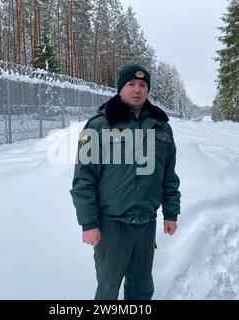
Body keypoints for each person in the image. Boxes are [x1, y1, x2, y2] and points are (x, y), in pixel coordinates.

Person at [70, 63, 181, 300]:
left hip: (146, 223)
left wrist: (171, 213)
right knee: (108, 288)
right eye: (130, 84)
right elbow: (83, 179)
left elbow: (168, 174)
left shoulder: (161, 127)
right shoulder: (99, 125)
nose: (137, 90)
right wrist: (88, 223)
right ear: (120, 88)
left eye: (142, 85)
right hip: (112, 225)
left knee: (142, 288)